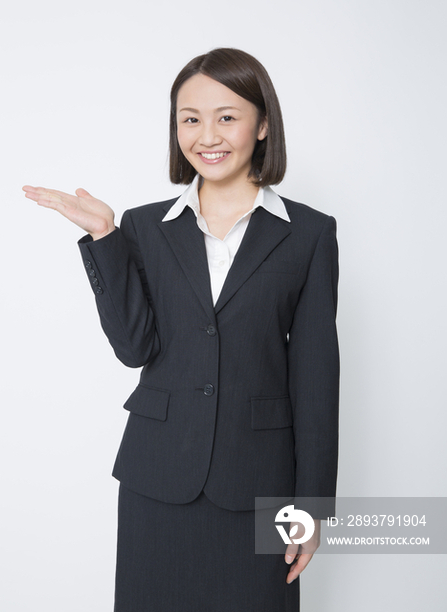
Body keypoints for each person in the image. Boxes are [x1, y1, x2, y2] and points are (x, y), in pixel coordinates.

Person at [23, 47, 339, 612]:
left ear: (263, 124)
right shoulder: (143, 227)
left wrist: (312, 506)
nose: (207, 135)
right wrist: (105, 238)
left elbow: (315, 377)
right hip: (158, 476)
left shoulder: (310, 234)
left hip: (257, 482)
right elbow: (134, 347)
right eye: (190, 118)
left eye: (227, 116)